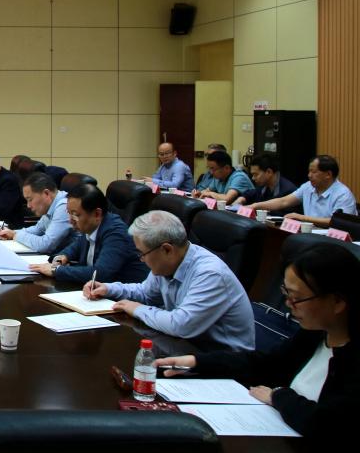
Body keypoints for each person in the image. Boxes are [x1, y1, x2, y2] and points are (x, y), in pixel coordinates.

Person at [157, 243, 360, 442]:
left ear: (337, 302)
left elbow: (327, 424)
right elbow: (265, 364)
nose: (288, 305)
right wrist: (197, 362)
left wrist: (279, 396)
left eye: (297, 298)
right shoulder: (315, 334)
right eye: (286, 294)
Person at [83, 210, 254, 351]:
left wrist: (138, 309)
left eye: (142, 254)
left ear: (166, 249)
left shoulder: (210, 274)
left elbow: (181, 324)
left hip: (223, 361)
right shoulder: (168, 263)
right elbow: (146, 293)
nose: (141, 259)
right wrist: (108, 289)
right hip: (184, 347)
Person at [29, 184, 147, 284]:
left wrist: (56, 270)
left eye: (75, 215)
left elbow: (99, 274)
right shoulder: (90, 228)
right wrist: (61, 258)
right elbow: (73, 249)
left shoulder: (116, 233)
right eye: (69, 213)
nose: (70, 221)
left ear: (97, 214)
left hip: (123, 299)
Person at [251, 155, 357, 228]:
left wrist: (301, 217)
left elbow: (337, 222)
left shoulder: (343, 194)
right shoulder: (308, 186)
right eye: (309, 171)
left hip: (334, 240)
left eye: (314, 172)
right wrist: (255, 206)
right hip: (310, 234)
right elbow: (284, 201)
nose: (309, 175)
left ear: (328, 174)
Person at [0, 172, 71, 254]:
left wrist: (15, 235)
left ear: (46, 194)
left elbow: (45, 244)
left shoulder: (64, 206)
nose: (28, 205)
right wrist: (9, 232)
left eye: (30, 199)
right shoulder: (51, 205)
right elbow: (37, 229)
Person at [233, 153, 299, 214]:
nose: (253, 178)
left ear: (269, 172)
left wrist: (255, 206)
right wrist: (241, 199)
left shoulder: (289, 190)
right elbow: (250, 194)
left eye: (255, 174)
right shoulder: (263, 185)